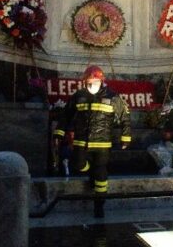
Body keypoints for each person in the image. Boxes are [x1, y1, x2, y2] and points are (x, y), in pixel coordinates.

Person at [53, 65, 131, 218]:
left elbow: (125, 117)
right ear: (84, 81)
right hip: (82, 141)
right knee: (78, 164)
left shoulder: (113, 97)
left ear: (101, 81)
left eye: (94, 81)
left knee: (101, 174)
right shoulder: (79, 95)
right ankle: (91, 173)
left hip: (103, 144)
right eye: (88, 81)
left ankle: (99, 205)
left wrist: (125, 137)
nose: (91, 84)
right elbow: (66, 115)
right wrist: (59, 134)